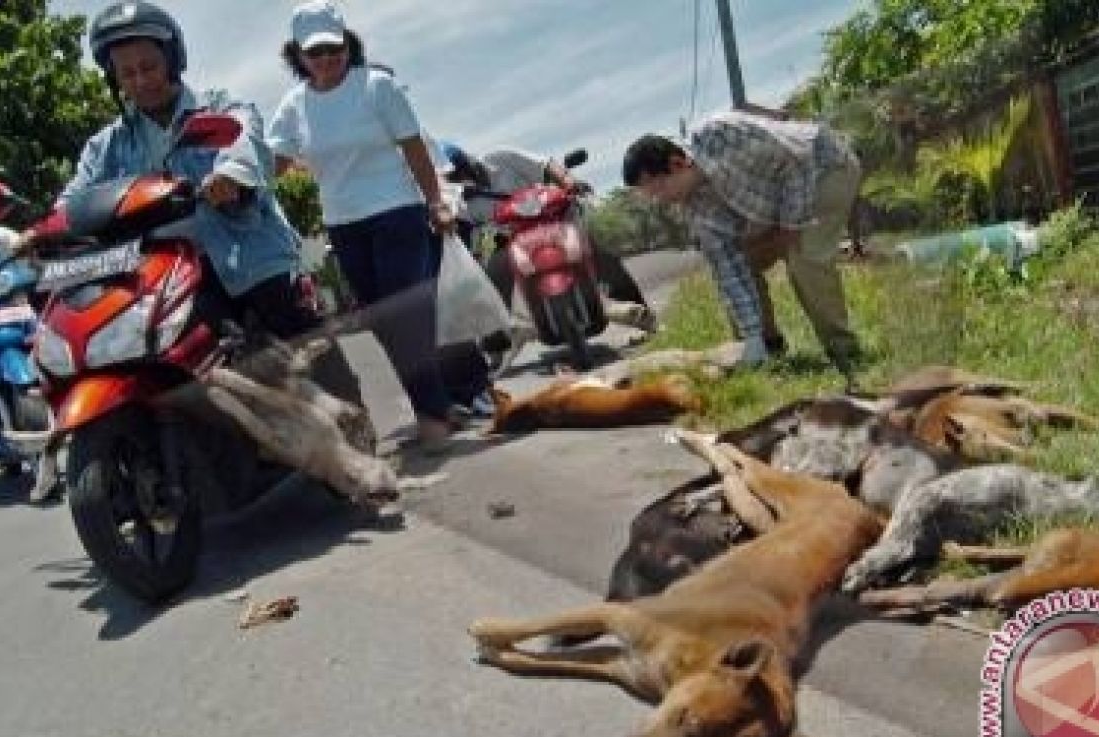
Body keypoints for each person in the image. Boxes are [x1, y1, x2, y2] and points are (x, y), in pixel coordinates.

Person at [58, 1, 363, 408]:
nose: (140, 80)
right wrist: (43, 230)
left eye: (148, 67)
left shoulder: (222, 107)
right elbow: (73, 201)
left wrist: (230, 177)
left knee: (299, 342)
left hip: (248, 259)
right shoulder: (105, 146)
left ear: (172, 60)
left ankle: (351, 422)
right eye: (127, 73)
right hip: (164, 276)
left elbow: (242, 143)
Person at [268, 0, 468, 449]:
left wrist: (435, 202)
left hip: (398, 211)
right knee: (382, 321)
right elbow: (274, 164)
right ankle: (441, 401)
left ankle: (434, 416)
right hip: (345, 225)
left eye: (333, 48)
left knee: (404, 312)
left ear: (348, 43)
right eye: (314, 52)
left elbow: (415, 148)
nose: (326, 59)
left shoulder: (376, 87)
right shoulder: (294, 106)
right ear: (298, 56)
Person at [622, 110, 864, 378]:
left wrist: (790, 226)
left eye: (659, 190)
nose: (660, 201)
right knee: (744, 263)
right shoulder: (695, 208)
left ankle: (845, 352)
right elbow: (730, 271)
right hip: (778, 202)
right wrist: (752, 338)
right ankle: (767, 352)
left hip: (823, 170)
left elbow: (797, 160)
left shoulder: (722, 135)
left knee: (803, 258)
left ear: (678, 163)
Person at [442, 143, 657, 359]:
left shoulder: (502, 158)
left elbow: (546, 166)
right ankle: (495, 348)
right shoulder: (458, 201)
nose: (459, 178)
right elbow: (463, 231)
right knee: (492, 280)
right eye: (452, 177)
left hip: (555, 221)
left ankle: (648, 323)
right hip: (511, 239)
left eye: (460, 171)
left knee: (600, 254)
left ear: (468, 162)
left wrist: (568, 181)